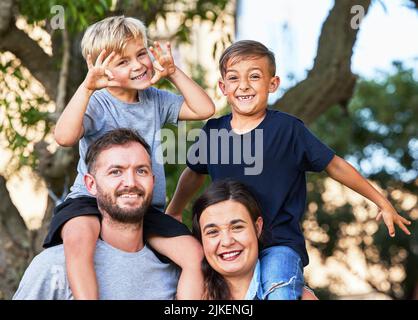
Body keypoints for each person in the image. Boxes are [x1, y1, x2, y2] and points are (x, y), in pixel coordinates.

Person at [167, 40, 412, 300]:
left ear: (273, 84)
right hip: (229, 244)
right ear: (223, 87)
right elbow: (193, 173)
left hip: (278, 244)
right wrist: (174, 209)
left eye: (255, 76)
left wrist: (381, 201)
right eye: (234, 78)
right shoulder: (213, 132)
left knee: (279, 292)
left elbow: (335, 165)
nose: (244, 85)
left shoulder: (289, 130)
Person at [44, 15, 215, 300]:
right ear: (102, 71)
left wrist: (173, 72)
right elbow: (63, 137)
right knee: (78, 240)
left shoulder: (156, 99)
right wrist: (86, 88)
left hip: (145, 207)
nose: (137, 65)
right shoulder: (97, 103)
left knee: (195, 255)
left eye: (141, 53)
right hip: (91, 200)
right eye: (123, 62)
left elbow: (203, 108)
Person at [14, 129, 182, 300]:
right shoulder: (54, 266)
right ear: (91, 184)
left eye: (141, 171)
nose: (131, 182)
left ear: (152, 182)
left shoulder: (172, 271)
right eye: (116, 172)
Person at [192, 179, 317, 300]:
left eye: (237, 227)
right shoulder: (187, 293)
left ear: (257, 228)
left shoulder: (293, 295)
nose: (227, 241)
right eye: (213, 232)